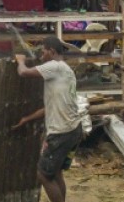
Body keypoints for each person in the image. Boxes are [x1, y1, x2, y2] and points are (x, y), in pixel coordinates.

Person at [14, 36, 83, 202]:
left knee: (43, 175)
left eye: (43, 51)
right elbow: (51, 107)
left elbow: (23, 72)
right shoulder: (66, 71)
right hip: (73, 129)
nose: (41, 55)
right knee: (56, 171)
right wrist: (27, 118)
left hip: (61, 132)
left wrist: (20, 60)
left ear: (52, 52)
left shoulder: (55, 66)